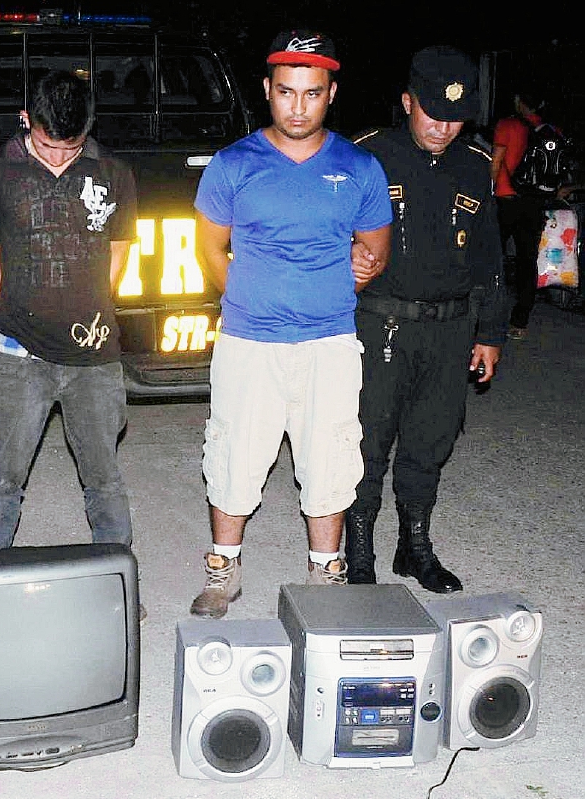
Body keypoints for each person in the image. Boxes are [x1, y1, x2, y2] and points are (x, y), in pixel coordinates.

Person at [189, 30, 392, 618]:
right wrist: (251, 299)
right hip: (249, 342)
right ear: (267, 91)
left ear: (331, 93)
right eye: (285, 92)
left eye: (311, 93)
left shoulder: (359, 167)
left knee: (329, 456)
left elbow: (374, 251)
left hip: (329, 342)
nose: (297, 106)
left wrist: (330, 287)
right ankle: (223, 569)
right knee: (233, 452)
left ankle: (324, 575)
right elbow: (210, 250)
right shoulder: (233, 164)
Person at [348, 46, 507, 592]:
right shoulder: (366, 157)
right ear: (406, 102)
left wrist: (490, 331)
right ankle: (359, 549)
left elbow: (489, 258)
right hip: (381, 324)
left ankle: (414, 546)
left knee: (430, 441)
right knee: (368, 441)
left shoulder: (477, 165)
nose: (443, 127)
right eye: (432, 112)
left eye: (455, 117)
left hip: (450, 327)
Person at [0, 70, 137, 556]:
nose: (60, 157)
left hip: (96, 354)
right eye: (48, 145)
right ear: (25, 120)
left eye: (71, 147)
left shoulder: (113, 171)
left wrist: (95, 303)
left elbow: (120, 247)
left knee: (104, 479)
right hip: (20, 353)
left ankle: (116, 583)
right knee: (4, 477)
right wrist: (14, 308)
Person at [491, 91, 551, 340]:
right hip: (534, 203)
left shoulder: (507, 125)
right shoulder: (548, 131)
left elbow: (496, 162)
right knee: (528, 261)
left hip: (506, 199)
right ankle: (520, 322)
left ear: (519, 101)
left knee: (493, 257)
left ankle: (488, 315)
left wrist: (489, 191)